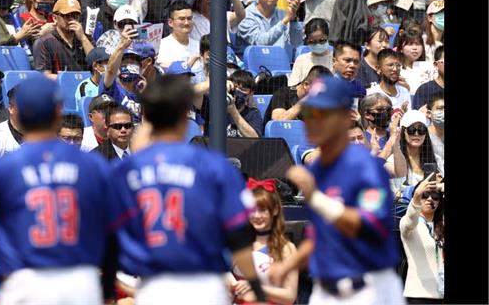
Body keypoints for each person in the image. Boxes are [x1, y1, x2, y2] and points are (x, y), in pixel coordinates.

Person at [110, 74, 266, 304]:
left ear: (147, 118)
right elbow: (238, 235)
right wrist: (256, 288)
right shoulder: (214, 166)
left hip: (154, 286)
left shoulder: (124, 171)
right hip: (204, 286)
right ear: (185, 116)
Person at [0, 74, 111, 303]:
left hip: (25, 282)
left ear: (20, 112)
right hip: (80, 281)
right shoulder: (91, 163)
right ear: (58, 111)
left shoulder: (4, 167)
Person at [267, 75, 404, 305]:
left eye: (323, 114)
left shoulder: (365, 166)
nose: (313, 121)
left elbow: (365, 224)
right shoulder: (319, 169)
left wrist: (316, 198)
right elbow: (320, 235)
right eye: (310, 113)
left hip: (368, 290)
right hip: (326, 291)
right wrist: (286, 266)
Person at [228, 179, 300, 305]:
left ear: (275, 210)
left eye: (262, 210)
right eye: (252, 210)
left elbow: (290, 296)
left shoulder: (286, 248)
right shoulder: (238, 244)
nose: (256, 215)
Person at [400, 172, 444, 302]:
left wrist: (441, 187)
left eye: (435, 195)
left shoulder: (441, 225)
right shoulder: (410, 224)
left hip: (441, 295)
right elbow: (410, 218)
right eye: (425, 195)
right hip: (419, 295)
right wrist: (417, 194)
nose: (430, 199)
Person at [237, 0, 304, 53]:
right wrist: (284, 21)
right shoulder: (245, 16)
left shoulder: (282, 14)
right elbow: (261, 43)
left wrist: (293, 19)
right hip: (254, 64)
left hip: (279, 62)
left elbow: (296, 44)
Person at [32, 0, 95, 81]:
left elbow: (98, 65)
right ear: (55, 18)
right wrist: (72, 79)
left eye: (75, 16)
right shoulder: (45, 42)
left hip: (86, 88)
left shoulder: (85, 38)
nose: (72, 20)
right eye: (67, 16)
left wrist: (83, 38)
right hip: (59, 91)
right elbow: (44, 76)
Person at [287, 18, 334, 88]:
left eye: (321, 41)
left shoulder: (336, 59)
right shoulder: (301, 60)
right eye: (312, 42)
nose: (318, 44)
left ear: (327, 37)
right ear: (307, 40)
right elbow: (292, 87)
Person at [367, 49, 412, 116]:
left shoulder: (404, 92)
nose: (395, 69)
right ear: (378, 68)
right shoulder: (372, 94)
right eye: (390, 65)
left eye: (398, 65)